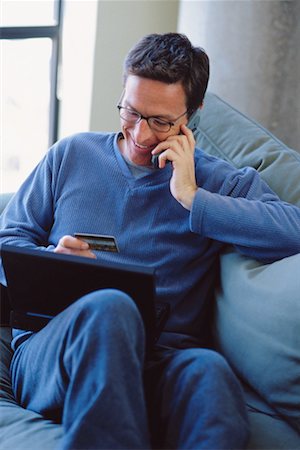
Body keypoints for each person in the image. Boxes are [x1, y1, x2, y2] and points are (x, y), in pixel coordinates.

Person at [1, 32, 300, 450]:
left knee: (210, 372)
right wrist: (52, 260)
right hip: (55, 352)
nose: (141, 135)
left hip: (158, 362)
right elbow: (9, 239)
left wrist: (193, 199)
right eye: (131, 112)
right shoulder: (71, 155)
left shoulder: (215, 182)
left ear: (192, 116)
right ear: (122, 93)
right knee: (111, 306)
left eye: (161, 121)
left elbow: (293, 228)